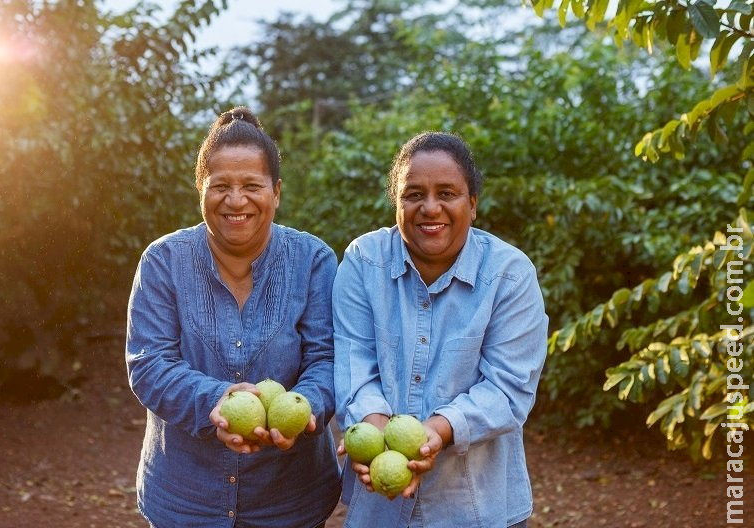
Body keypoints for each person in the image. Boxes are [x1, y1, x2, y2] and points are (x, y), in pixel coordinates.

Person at [125, 106, 341, 528]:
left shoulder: (312, 260)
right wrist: (214, 402)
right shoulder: (164, 261)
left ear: (276, 191)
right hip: (185, 500)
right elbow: (149, 363)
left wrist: (305, 409)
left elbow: (328, 360)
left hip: (290, 501)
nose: (236, 200)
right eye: (220, 185)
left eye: (251, 185)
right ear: (200, 189)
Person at [333, 131, 548, 527]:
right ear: (396, 204)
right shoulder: (364, 262)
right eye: (413, 195)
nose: (430, 208)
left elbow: (509, 387)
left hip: (477, 509)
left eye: (446, 193)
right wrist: (375, 430)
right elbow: (353, 364)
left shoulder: (509, 275)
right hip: (379, 502)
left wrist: (439, 430)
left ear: (473, 204)